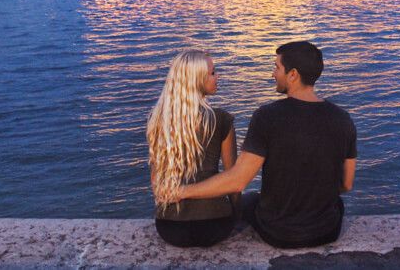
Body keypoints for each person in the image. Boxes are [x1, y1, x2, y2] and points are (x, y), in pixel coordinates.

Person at [179, 41, 357, 248]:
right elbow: (346, 184)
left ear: (293, 74)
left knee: (250, 200)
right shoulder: (343, 119)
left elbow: (238, 181)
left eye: (277, 67)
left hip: (278, 233)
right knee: (335, 203)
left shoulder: (267, 117)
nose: (273, 74)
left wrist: (183, 192)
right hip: (327, 231)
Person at [146, 49, 238, 247]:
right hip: (217, 225)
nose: (217, 77)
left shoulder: (158, 121)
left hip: (170, 228)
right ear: (197, 79)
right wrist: (235, 213)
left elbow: (157, 186)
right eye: (212, 73)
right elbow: (234, 181)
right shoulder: (221, 119)